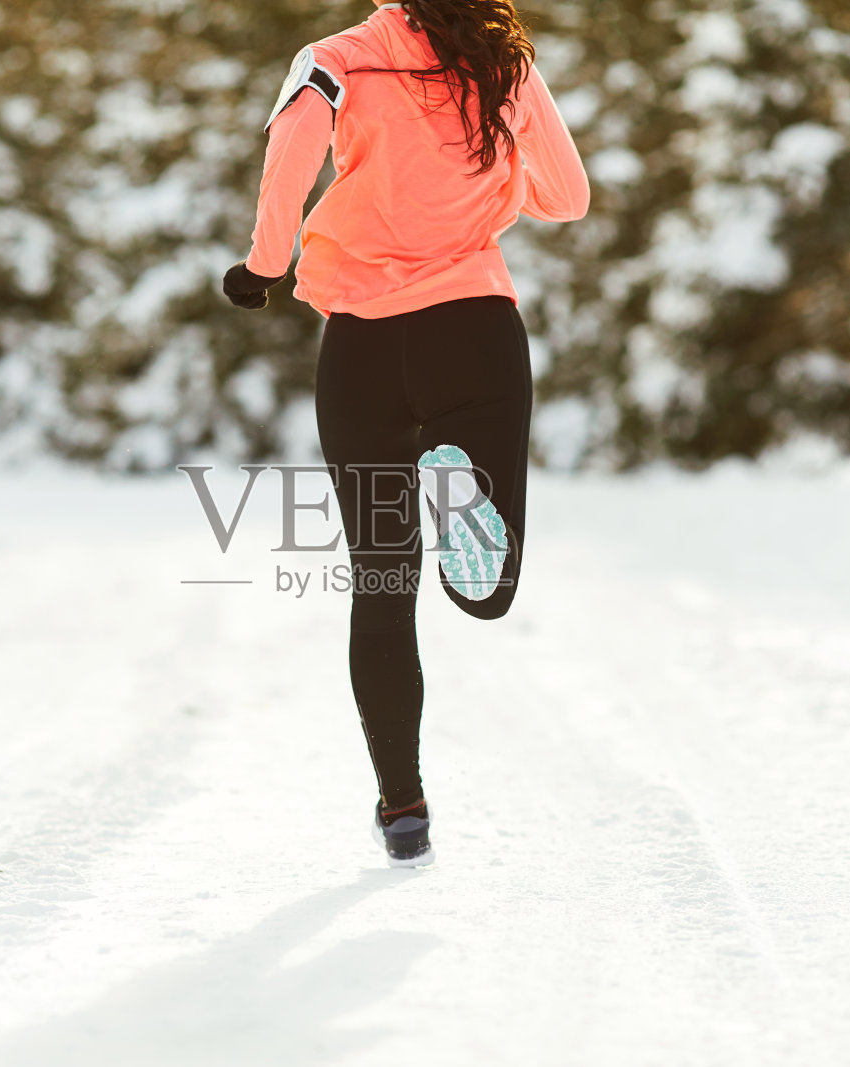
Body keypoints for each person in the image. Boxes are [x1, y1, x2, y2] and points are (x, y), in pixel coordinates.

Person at [223, 0, 589, 867]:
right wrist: (501, 183)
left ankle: (404, 806)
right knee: (487, 589)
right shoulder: (502, 61)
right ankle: (459, 482)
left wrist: (264, 267)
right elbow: (567, 197)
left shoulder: (335, 58)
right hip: (474, 327)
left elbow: (291, 160)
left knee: (383, 581)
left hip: (363, 347)